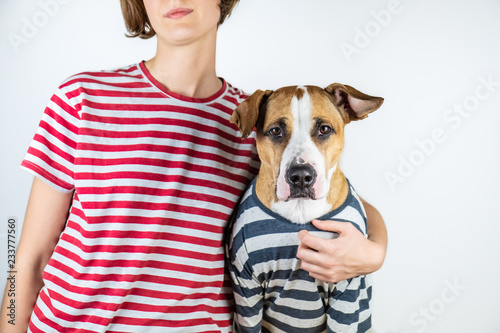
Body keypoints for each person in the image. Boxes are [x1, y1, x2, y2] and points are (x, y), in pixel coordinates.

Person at [0, 1, 387, 332]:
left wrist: (376, 252)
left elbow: (336, 194)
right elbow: (29, 256)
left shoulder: (257, 124)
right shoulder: (82, 98)